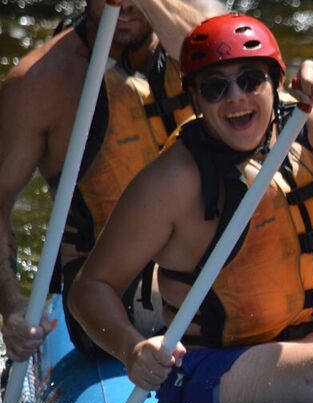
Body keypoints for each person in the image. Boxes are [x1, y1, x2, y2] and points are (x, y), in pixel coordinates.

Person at [69, 14, 313, 403]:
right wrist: (132, 350)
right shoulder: (174, 180)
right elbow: (89, 289)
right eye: (216, 88)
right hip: (211, 374)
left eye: (251, 80)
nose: (236, 98)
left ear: (275, 84)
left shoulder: (297, 127)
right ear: (195, 101)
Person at [0, 0, 225, 361]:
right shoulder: (39, 84)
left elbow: (221, 61)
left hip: (208, 252)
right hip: (110, 291)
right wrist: (12, 306)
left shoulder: (201, 21)